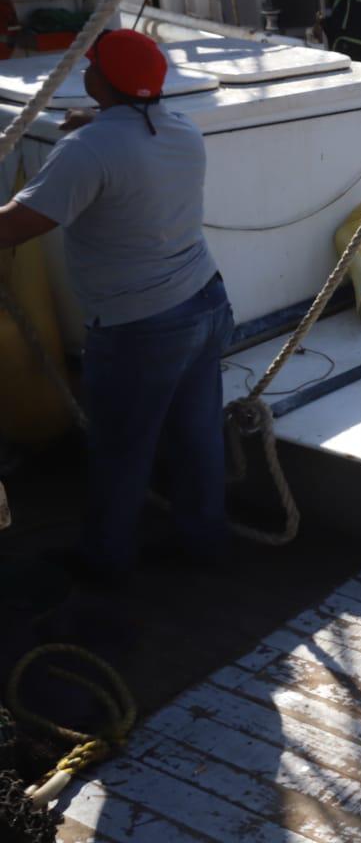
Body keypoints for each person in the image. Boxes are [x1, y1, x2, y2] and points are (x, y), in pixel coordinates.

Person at [0, 29, 233, 580]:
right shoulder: (181, 129)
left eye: (90, 68)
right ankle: (204, 545)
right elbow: (129, 147)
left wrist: (86, 138)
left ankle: (105, 562)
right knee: (197, 438)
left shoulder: (87, 150)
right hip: (205, 303)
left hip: (140, 328)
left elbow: (18, 226)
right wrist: (97, 125)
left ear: (100, 81)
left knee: (120, 450)